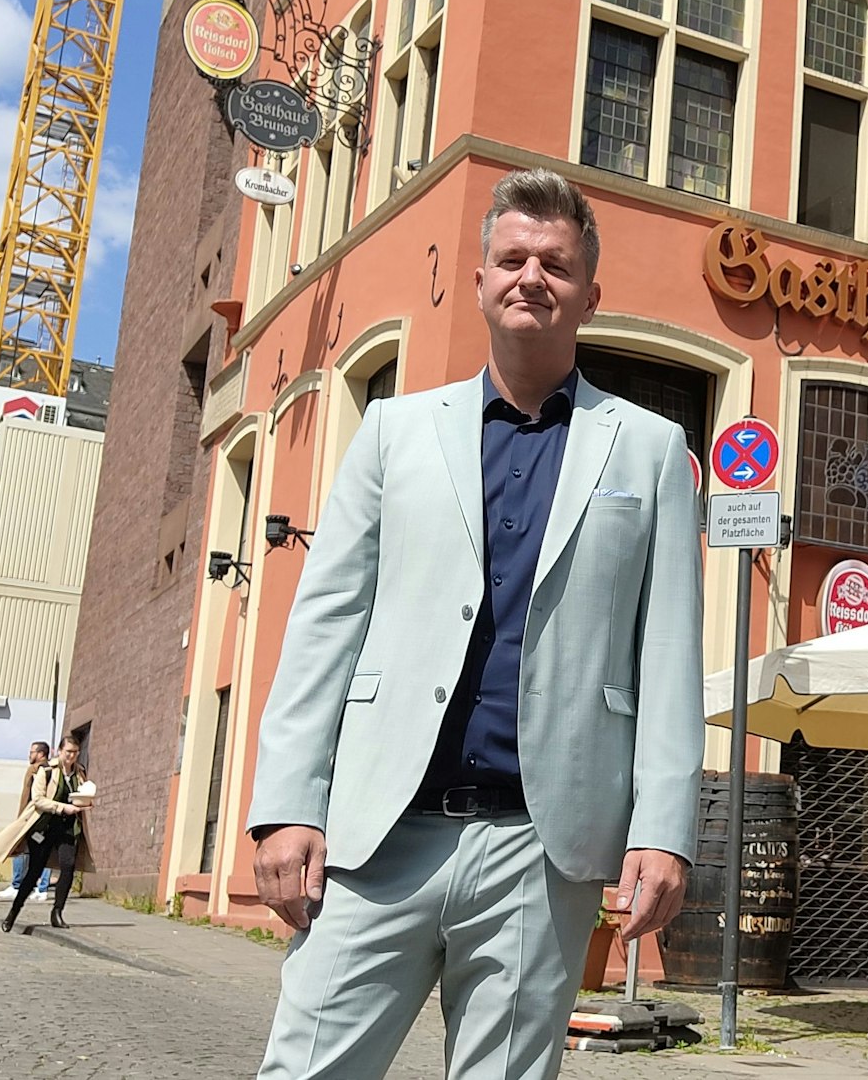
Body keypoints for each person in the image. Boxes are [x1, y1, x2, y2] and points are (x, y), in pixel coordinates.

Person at [246, 168, 705, 1080]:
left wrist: (664, 828)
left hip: (539, 846)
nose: (532, 276)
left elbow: (668, 656)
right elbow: (326, 623)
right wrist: (288, 803)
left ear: (590, 295)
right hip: (378, 833)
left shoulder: (649, 449)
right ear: (482, 278)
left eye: (556, 264)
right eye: (513, 258)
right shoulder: (394, 430)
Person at [3, 735, 87, 932]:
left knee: (68, 866)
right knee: (34, 871)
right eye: (68, 752)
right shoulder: (47, 770)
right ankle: (14, 911)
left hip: (68, 827)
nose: (72, 756)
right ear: (60, 751)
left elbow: (82, 794)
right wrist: (62, 807)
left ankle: (57, 912)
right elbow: (38, 799)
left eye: (75, 753)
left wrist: (85, 802)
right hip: (45, 826)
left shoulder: (79, 773)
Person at [10, 741, 51, 900]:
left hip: (33, 817)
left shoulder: (36, 769)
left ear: (40, 754)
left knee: (21, 847)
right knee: (42, 850)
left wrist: (22, 816)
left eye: (32, 752)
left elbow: (29, 796)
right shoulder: (51, 770)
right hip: (42, 817)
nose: (29, 755)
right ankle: (41, 887)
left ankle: (18, 884)